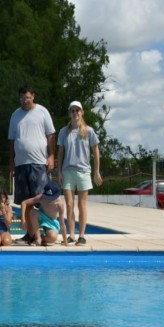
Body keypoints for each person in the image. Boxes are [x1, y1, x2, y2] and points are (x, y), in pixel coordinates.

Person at [8, 85, 56, 244]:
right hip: (21, 164)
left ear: (33, 96)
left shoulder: (42, 112)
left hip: (38, 163)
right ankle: (30, 235)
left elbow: (50, 136)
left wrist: (51, 156)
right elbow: (11, 141)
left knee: (41, 200)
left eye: (27, 97)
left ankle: (45, 233)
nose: (24, 100)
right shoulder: (15, 115)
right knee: (25, 201)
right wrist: (12, 162)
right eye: (22, 98)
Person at [57, 100, 102, 246]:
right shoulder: (64, 131)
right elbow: (60, 152)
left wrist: (96, 172)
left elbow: (96, 150)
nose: (75, 113)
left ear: (82, 112)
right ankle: (71, 235)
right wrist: (58, 172)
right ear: (70, 113)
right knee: (69, 204)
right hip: (67, 171)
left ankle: (82, 235)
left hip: (83, 171)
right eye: (72, 110)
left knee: (82, 204)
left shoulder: (88, 131)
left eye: (77, 110)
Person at [21, 180, 68, 246]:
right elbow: (24, 203)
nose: (48, 200)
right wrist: (23, 220)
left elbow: (62, 224)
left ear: (57, 196)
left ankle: (39, 238)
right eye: (47, 197)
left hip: (51, 222)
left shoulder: (59, 205)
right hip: (41, 217)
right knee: (33, 212)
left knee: (53, 238)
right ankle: (38, 238)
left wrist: (66, 243)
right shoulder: (41, 197)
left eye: (51, 198)